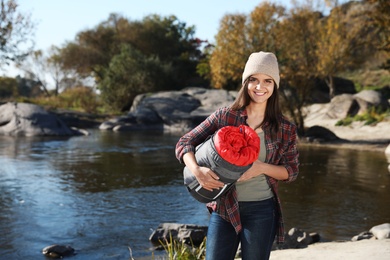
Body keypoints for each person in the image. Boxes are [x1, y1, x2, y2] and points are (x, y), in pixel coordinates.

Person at [175, 51, 299, 260]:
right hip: (224, 208)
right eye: (254, 80)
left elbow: (291, 172)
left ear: (275, 85)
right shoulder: (225, 116)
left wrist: (261, 168)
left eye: (267, 81)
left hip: (263, 209)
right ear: (245, 83)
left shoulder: (285, 127)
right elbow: (184, 143)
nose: (260, 87)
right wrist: (197, 171)